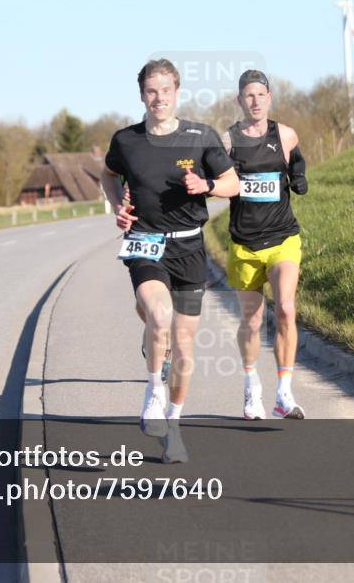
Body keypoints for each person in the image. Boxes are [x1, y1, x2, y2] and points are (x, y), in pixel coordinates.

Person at [101, 58, 239, 461]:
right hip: (146, 243)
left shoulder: (200, 137)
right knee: (159, 315)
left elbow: (233, 182)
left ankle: (174, 426)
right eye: (150, 91)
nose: (158, 98)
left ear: (177, 92)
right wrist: (117, 207)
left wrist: (209, 184)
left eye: (165, 90)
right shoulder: (126, 140)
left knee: (183, 346)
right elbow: (109, 176)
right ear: (141, 94)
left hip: (189, 247)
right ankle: (152, 394)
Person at [223, 70, 308, 420]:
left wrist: (299, 176)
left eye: (261, 95)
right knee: (252, 320)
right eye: (249, 95)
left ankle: (284, 394)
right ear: (239, 101)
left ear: (269, 98)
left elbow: (297, 159)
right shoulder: (227, 141)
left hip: (283, 238)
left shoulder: (285, 135)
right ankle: (251, 388)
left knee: (286, 308)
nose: (255, 101)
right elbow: (218, 178)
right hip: (244, 244)